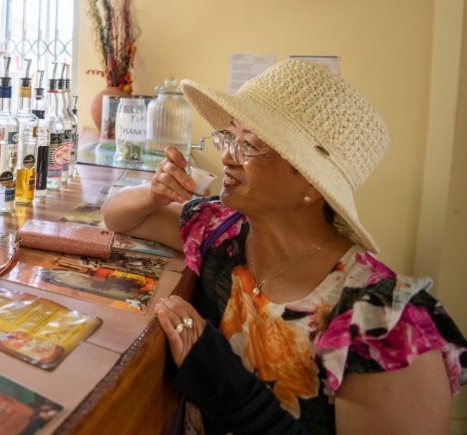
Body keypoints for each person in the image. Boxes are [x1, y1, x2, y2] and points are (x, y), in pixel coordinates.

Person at [101, 59, 466, 434]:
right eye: (229, 137)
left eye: (250, 146)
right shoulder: (222, 231)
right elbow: (119, 217)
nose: (227, 156)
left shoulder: (386, 326)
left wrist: (233, 395)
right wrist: (153, 192)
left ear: (311, 183)